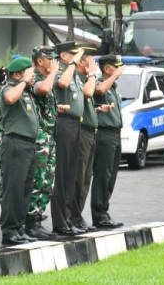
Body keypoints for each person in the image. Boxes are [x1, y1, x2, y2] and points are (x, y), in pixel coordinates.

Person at [0, 56, 39, 246]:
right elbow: (10, 98)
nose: (32, 76)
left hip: (28, 145)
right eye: (28, 72)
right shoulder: (9, 88)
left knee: (24, 190)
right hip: (15, 143)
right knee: (13, 189)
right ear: (17, 74)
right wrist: (23, 81)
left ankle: (19, 228)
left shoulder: (26, 91)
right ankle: (9, 231)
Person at [50, 42, 87, 236]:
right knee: (63, 174)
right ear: (64, 56)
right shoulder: (61, 71)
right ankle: (59, 221)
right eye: (74, 55)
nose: (78, 58)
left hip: (76, 123)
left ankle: (67, 218)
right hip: (64, 123)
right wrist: (73, 64)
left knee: (72, 174)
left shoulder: (72, 71)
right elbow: (62, 84)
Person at [26, 45, 60, 240]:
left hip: (48, 137)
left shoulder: (45, 78)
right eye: (50, 59)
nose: (54, 63)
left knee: (47, 181)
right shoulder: (36, 79)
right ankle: (31, 222)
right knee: (38, 180)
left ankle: (37, 218)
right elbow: (44, 89)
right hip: (39, 140)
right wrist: (54, 73)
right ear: (40, 60)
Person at [91, 55, 126, 229]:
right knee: (102, 176)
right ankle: (99, 215)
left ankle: (104, 211)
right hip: (104, 134)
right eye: (116, 67)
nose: (120, 70)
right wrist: (114, 76)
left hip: (115, 133)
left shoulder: (113, 86)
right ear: (107, 69)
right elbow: (99, 91)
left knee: (110, 177)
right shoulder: (100, 81)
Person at [70, 46, 100, 233]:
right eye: (91, 60)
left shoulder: (86, 78)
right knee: (78, 178)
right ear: (81, 62)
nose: (94, 64)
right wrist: (93, 75)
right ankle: (73, 216)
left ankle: (77, 216)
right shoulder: (79, 78)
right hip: (81, 132)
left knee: (86, 177)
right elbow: (88, 93)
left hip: (91, 131)